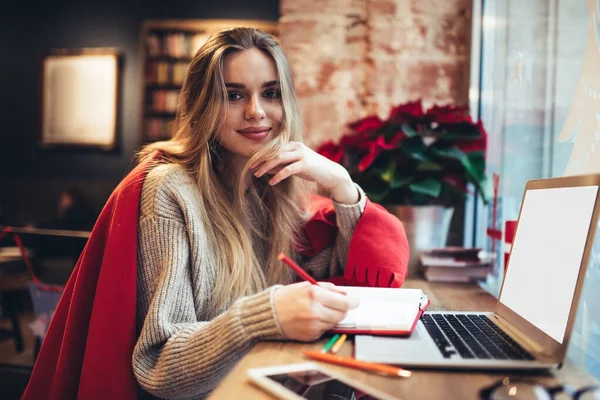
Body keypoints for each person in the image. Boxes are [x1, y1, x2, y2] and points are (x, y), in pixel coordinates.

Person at [22, 27, 409, 400]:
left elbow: (342, 282)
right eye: (234, 95)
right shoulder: (169, 190)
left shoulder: (274, 185)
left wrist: (341, 184)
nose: (256, 112)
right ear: (203, 105)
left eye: (270, 93)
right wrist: (265, 315)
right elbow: (159, 369)